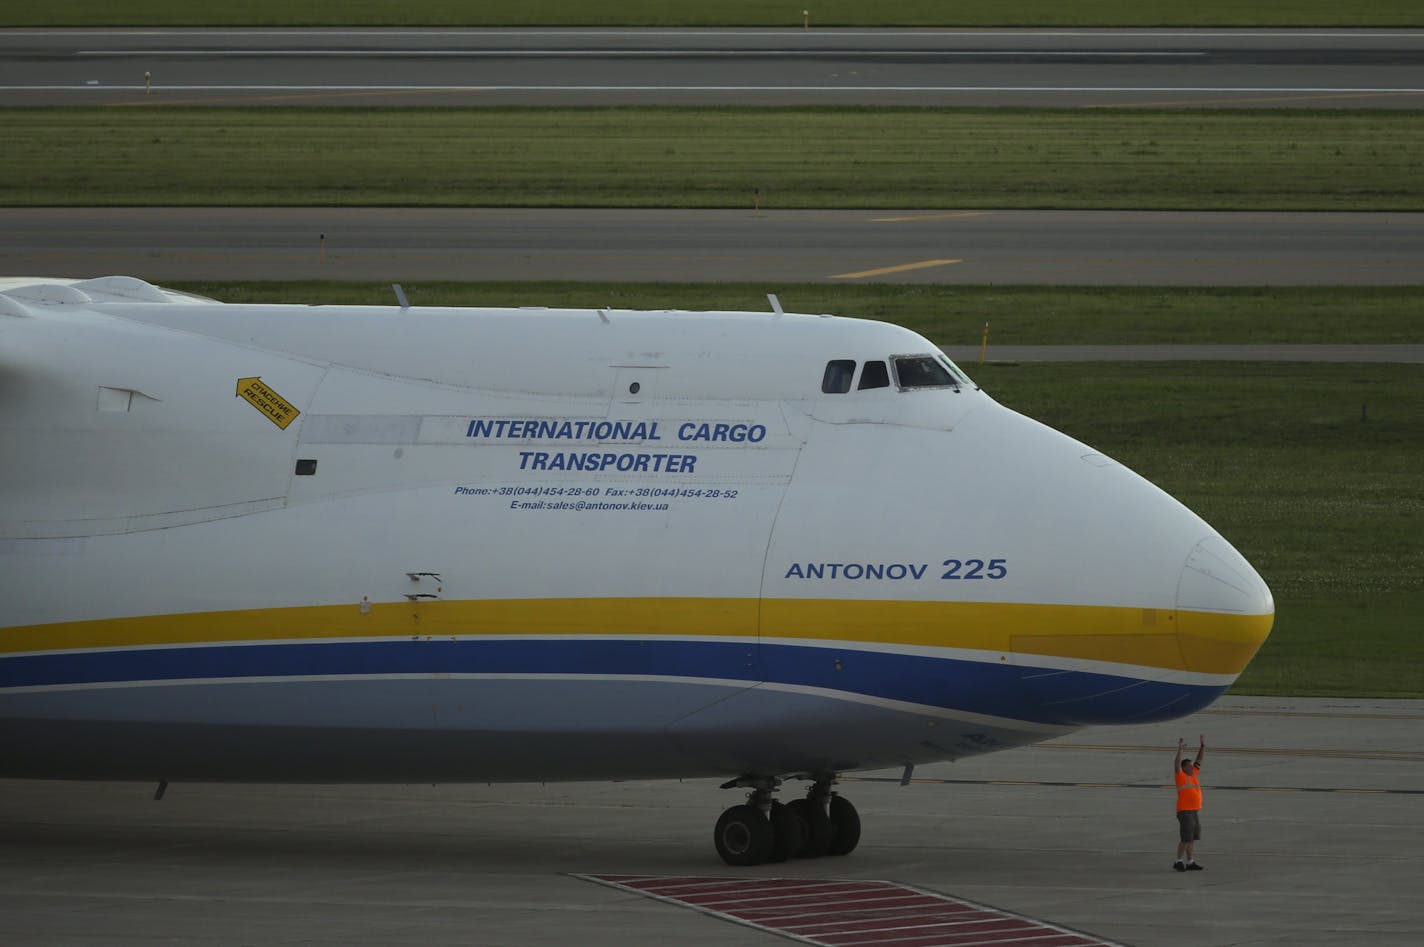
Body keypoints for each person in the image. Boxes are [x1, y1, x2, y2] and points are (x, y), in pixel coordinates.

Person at [1173, 735, 1206, 871]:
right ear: (1184, 767)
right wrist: (1180, 750)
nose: (1192, 767)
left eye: (1192, 766)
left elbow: (1199, 759)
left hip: (1194, 811)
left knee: (1192, 837)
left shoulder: (1194, 774)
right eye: (1189, 765)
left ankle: (1190, 862)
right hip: (1185, 811)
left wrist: (1202, 746)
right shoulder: (1180, 776)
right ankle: (1178, 861)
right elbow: (1176, 764)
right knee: (1186, 838)